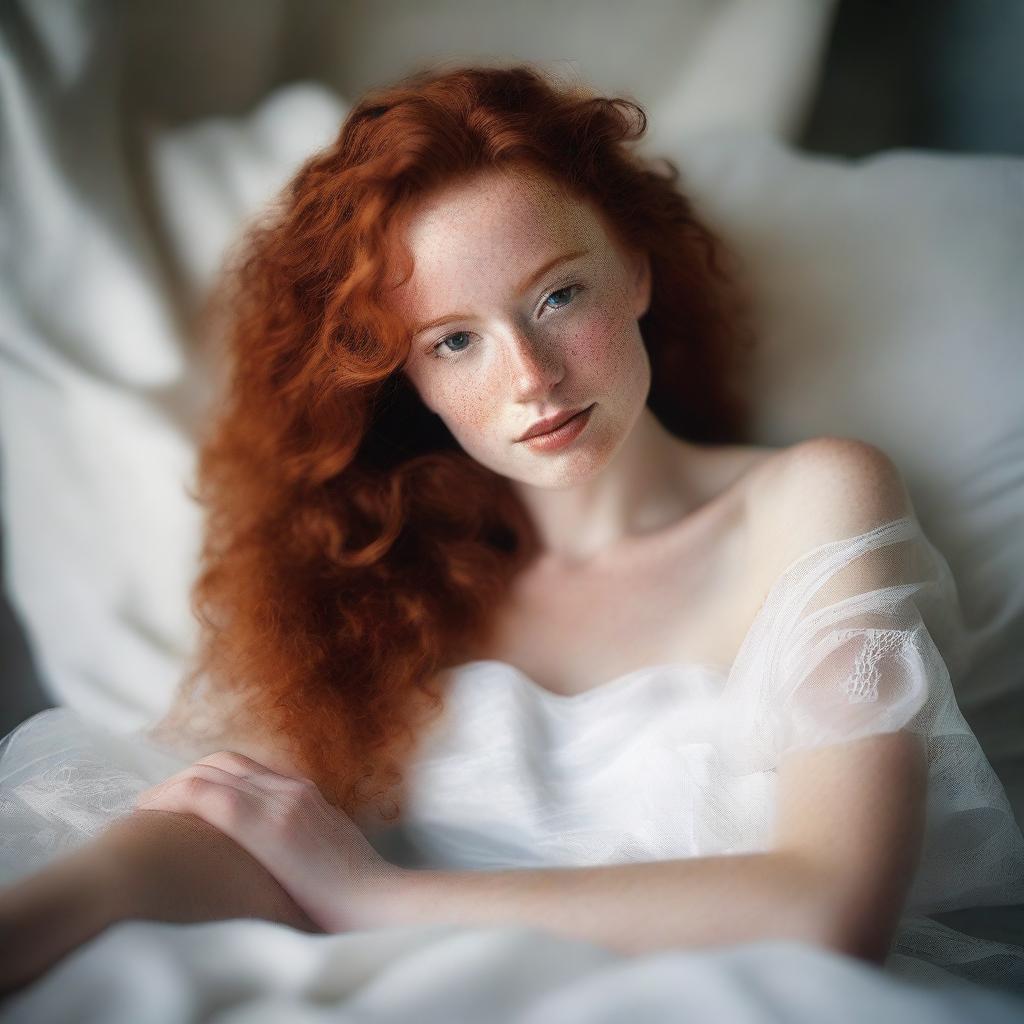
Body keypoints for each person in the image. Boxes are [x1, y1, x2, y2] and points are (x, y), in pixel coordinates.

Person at [1, 63, 1022, 999]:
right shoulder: (377, 569)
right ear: (405, 374)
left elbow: (828, 909)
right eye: (454, 341)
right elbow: (228, 827)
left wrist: (374, 896)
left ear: (636, 268)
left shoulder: (811, 500)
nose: (530, 377)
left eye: (557, 295)